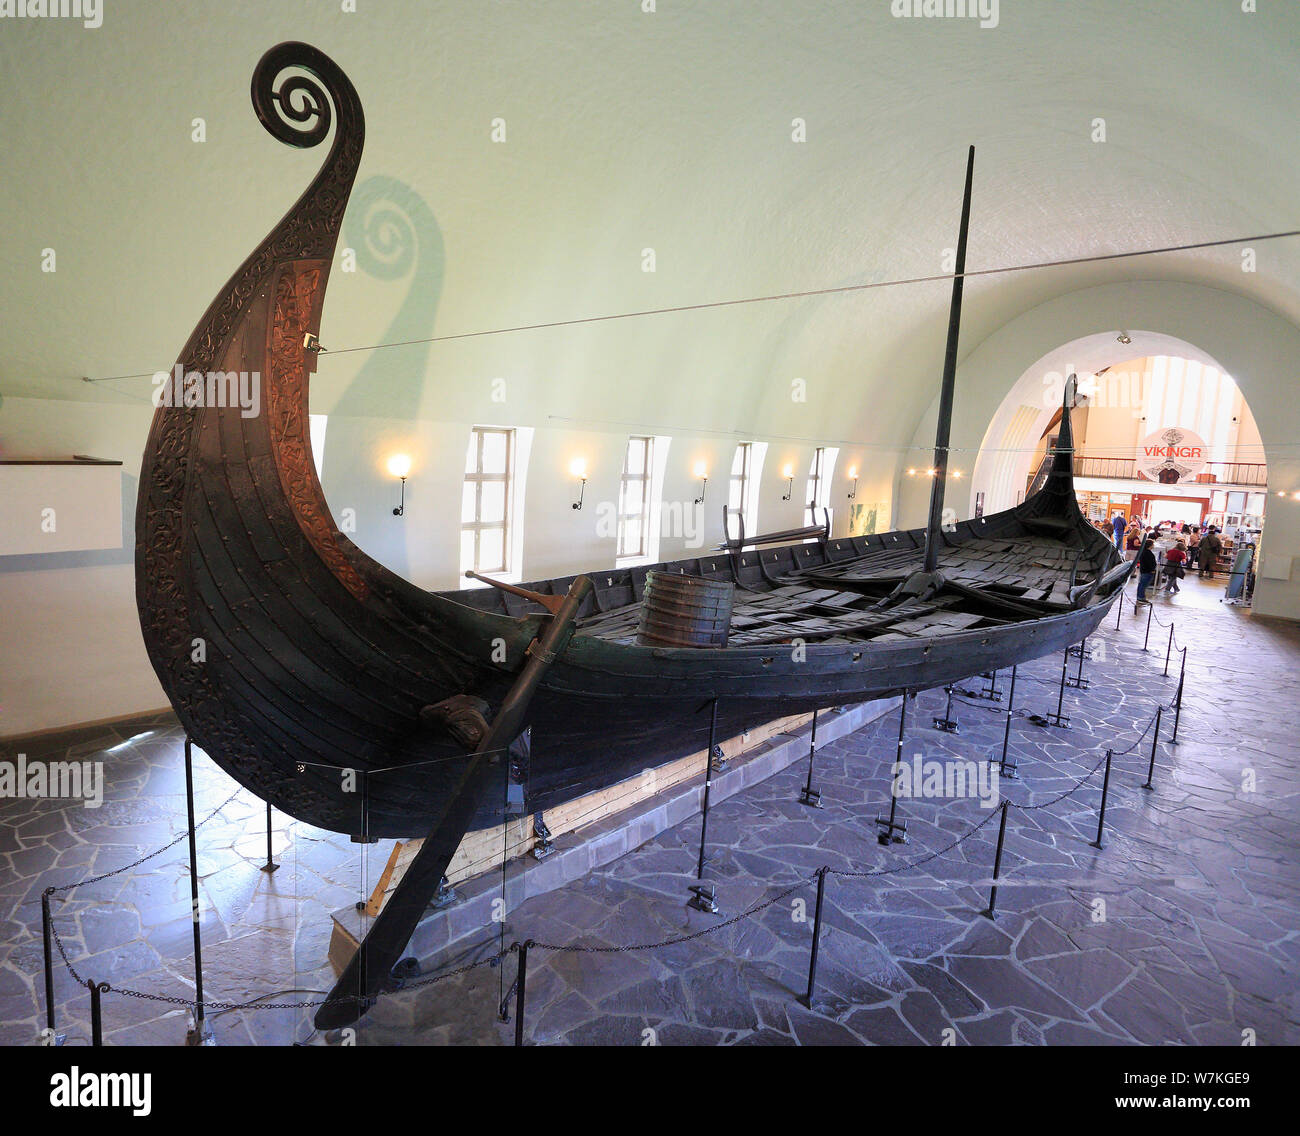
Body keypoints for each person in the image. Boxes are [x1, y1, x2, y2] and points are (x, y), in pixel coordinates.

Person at [1136, 536, 1158, 604]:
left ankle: (1140, 596)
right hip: (1147, 571)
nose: (1153, 545)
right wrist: (1152, 569)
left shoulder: (1144, 551)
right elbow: (1148, 563)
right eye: (1153, 544)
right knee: (1143, 584)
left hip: (1144, 570)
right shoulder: (1147, 553)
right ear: (1150, 545)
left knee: (1142, 584)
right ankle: (1141, 597)